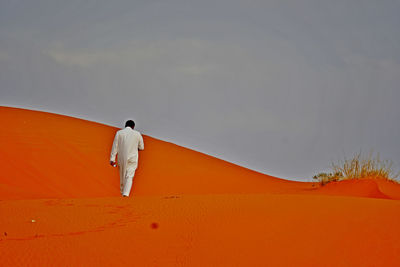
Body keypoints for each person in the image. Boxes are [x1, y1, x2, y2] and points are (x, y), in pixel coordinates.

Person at [110, 120, 144, 197]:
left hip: (121, 157)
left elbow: (115, 146)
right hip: (133, 158)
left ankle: (123, 192)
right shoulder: (137, 134)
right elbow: (141, 147)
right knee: (129, 176)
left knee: (122, 176)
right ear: (133, 127)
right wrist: (135, 148)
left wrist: (112, 159)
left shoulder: (119, 133)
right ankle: (126, 194)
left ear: (125, 125)